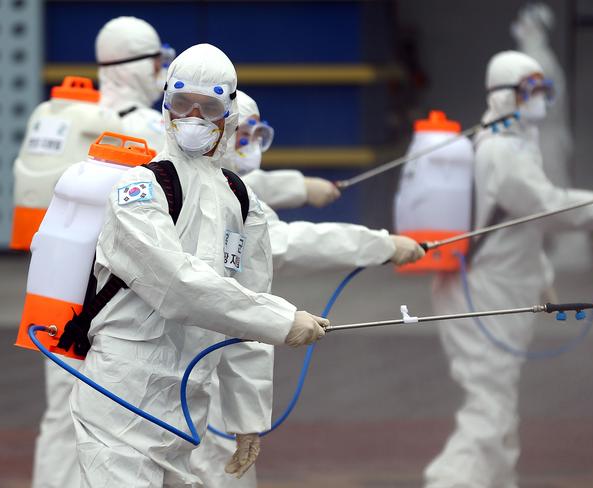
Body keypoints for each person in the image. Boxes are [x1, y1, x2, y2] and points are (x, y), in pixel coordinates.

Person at [69, 43, 329, 488]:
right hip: (122, 391)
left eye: (207, 107)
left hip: (188, 404)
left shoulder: (241, 202)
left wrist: (248, 417)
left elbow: (245, 313)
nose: (192, 117)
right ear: (165, 104)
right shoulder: (140, 189)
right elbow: (177, 286)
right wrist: (282, 320)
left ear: (227, 113)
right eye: (181, 103)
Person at [190, 89, 425, 488]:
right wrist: (382, 245)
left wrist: (303, 186)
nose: (252, 149)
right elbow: (294, 244)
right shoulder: (221, 202)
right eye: (243, 136)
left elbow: (254, 181)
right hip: (197, 368)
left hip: (194, 366)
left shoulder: (202, 181)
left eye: (257, 137)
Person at [424, 51, 593, 488]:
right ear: (504, 96)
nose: (540, 98)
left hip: (504, 289)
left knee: (499, 400)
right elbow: (547, 207)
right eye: (530, 90)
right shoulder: (500, 150)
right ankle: (449, 480)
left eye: (543, 89)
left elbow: (521, 229)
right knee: (490, 403)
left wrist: (542, 279)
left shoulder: (515, 144)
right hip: (482, 292)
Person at [31, 18, 173, 488]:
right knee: (109, 422)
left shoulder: (69, 115)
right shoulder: (147, 130)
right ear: (137, 65)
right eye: (157, 60)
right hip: (110, 299)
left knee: (59, 414)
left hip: (54, 287)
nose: (162, 69)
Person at [511, 2, 591, 270]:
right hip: (540, 135)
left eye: (524, 24)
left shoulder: (538, 61)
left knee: (553, 191)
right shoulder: (534, 58)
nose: (519, 29)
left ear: (535, 28)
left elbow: (542, 106)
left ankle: (573, 248)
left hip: (546, 136)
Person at [235, 93, 340, 209]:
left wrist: (303, 186)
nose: (251, 144)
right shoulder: (216, 189)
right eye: (245, 133)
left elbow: (249, 187)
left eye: (256, 135)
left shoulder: (228, 181)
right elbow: (271, 226)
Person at [96, 16, 172, 151]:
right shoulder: (150, 126)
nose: (161, 69)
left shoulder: (82, 113)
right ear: (143, 67)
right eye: (157, 63)